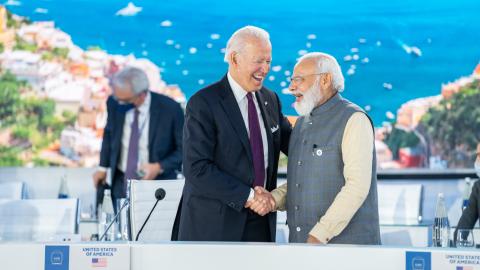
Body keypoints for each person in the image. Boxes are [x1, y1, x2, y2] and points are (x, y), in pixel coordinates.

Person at [174, 26, 291, 242]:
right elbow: (196, 168)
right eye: (259, 61)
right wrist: (250, 196)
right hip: (214, 226)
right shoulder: (204, 103)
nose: (265, 69)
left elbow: (295, 145)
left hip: (261, 222)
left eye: (268, 61)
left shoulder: (270, 99)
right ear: (235, 59)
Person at [250, 52, 381, 245]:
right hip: (304, 249)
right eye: (291, 80)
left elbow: (357, 187)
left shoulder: (354, 119)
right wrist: (273, 199)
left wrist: (319, 234)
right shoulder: (302, 123)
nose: (291, 87)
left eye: (299, 80)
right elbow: (302, 182)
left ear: (326, 79)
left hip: (347, 253)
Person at [92, 66, 184, 208]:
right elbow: (109, 134)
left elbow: (183, 150)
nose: (119, 103)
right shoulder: (114, 102)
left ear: (141, 95)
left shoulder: (171, 109)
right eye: (118, 99)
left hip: (158, 187)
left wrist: (159, 167)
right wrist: (102, 168)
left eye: (125, 100)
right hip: (121, 182)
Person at [456, 143, 480, 231]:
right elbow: (465, 224)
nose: (477, 160)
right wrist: (457, 241)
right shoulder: (478, 187)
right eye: (477, 155)